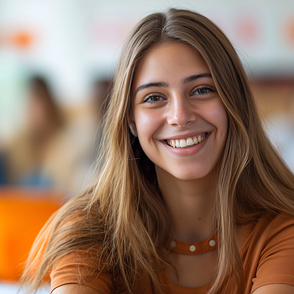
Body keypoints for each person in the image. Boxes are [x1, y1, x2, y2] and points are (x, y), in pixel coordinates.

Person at [21, 8, 294, 294]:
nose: (179, 115)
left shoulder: (281, 229)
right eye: (154, 98)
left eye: (201, 90)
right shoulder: (89, 230)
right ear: (131, 119)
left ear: (233, 101)